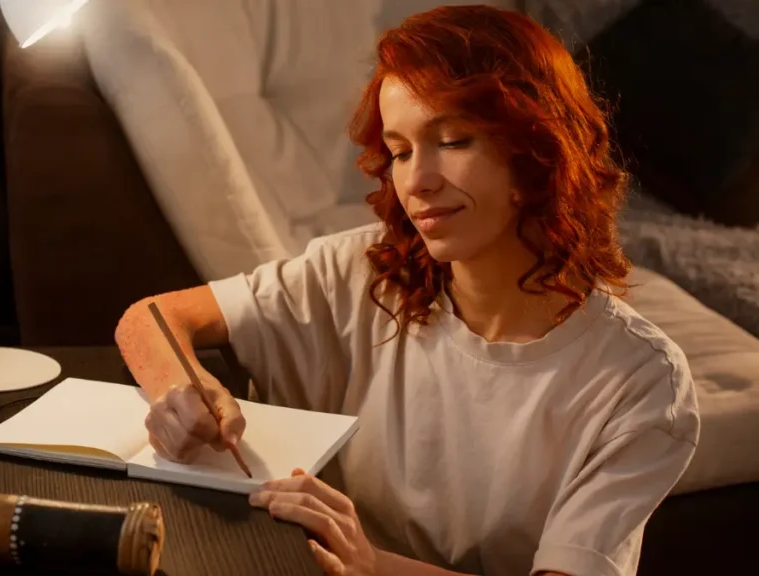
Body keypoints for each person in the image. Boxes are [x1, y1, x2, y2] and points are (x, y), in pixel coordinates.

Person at [114, 5, 699, 576]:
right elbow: (151, 317)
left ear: (537, 151)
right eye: (400, 151)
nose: (416, 181)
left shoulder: (641, 382)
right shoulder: (359, 272)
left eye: (454, 141)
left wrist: (374, 564)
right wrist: (184, 390)